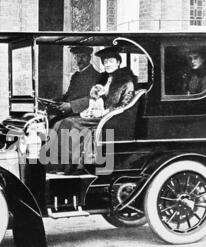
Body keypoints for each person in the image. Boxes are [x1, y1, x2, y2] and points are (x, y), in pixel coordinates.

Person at [45, 46, 137, 174]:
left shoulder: (126, 82)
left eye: (111, 61)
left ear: (119, 62)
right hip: (98, 115)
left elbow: (124, 107)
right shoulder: (106, 79)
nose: (107, 64)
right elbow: (96, 98)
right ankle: (56, 166)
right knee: (61, 123)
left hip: (111, 119)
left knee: (69, 123)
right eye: (105, 62)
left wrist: (104, 112)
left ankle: (72, 168)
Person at [52, 46, 100, 120]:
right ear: (75, 58)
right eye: (78, 56)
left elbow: (93, 98)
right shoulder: (75, 76)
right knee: (49, 118)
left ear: (89, 58)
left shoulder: (96, 75)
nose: (80, 59)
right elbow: (68, 95)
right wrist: (54, 101)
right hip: (71, 111)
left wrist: (71, 105)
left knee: (61, 124)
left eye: (83, 56)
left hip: (83, 113)